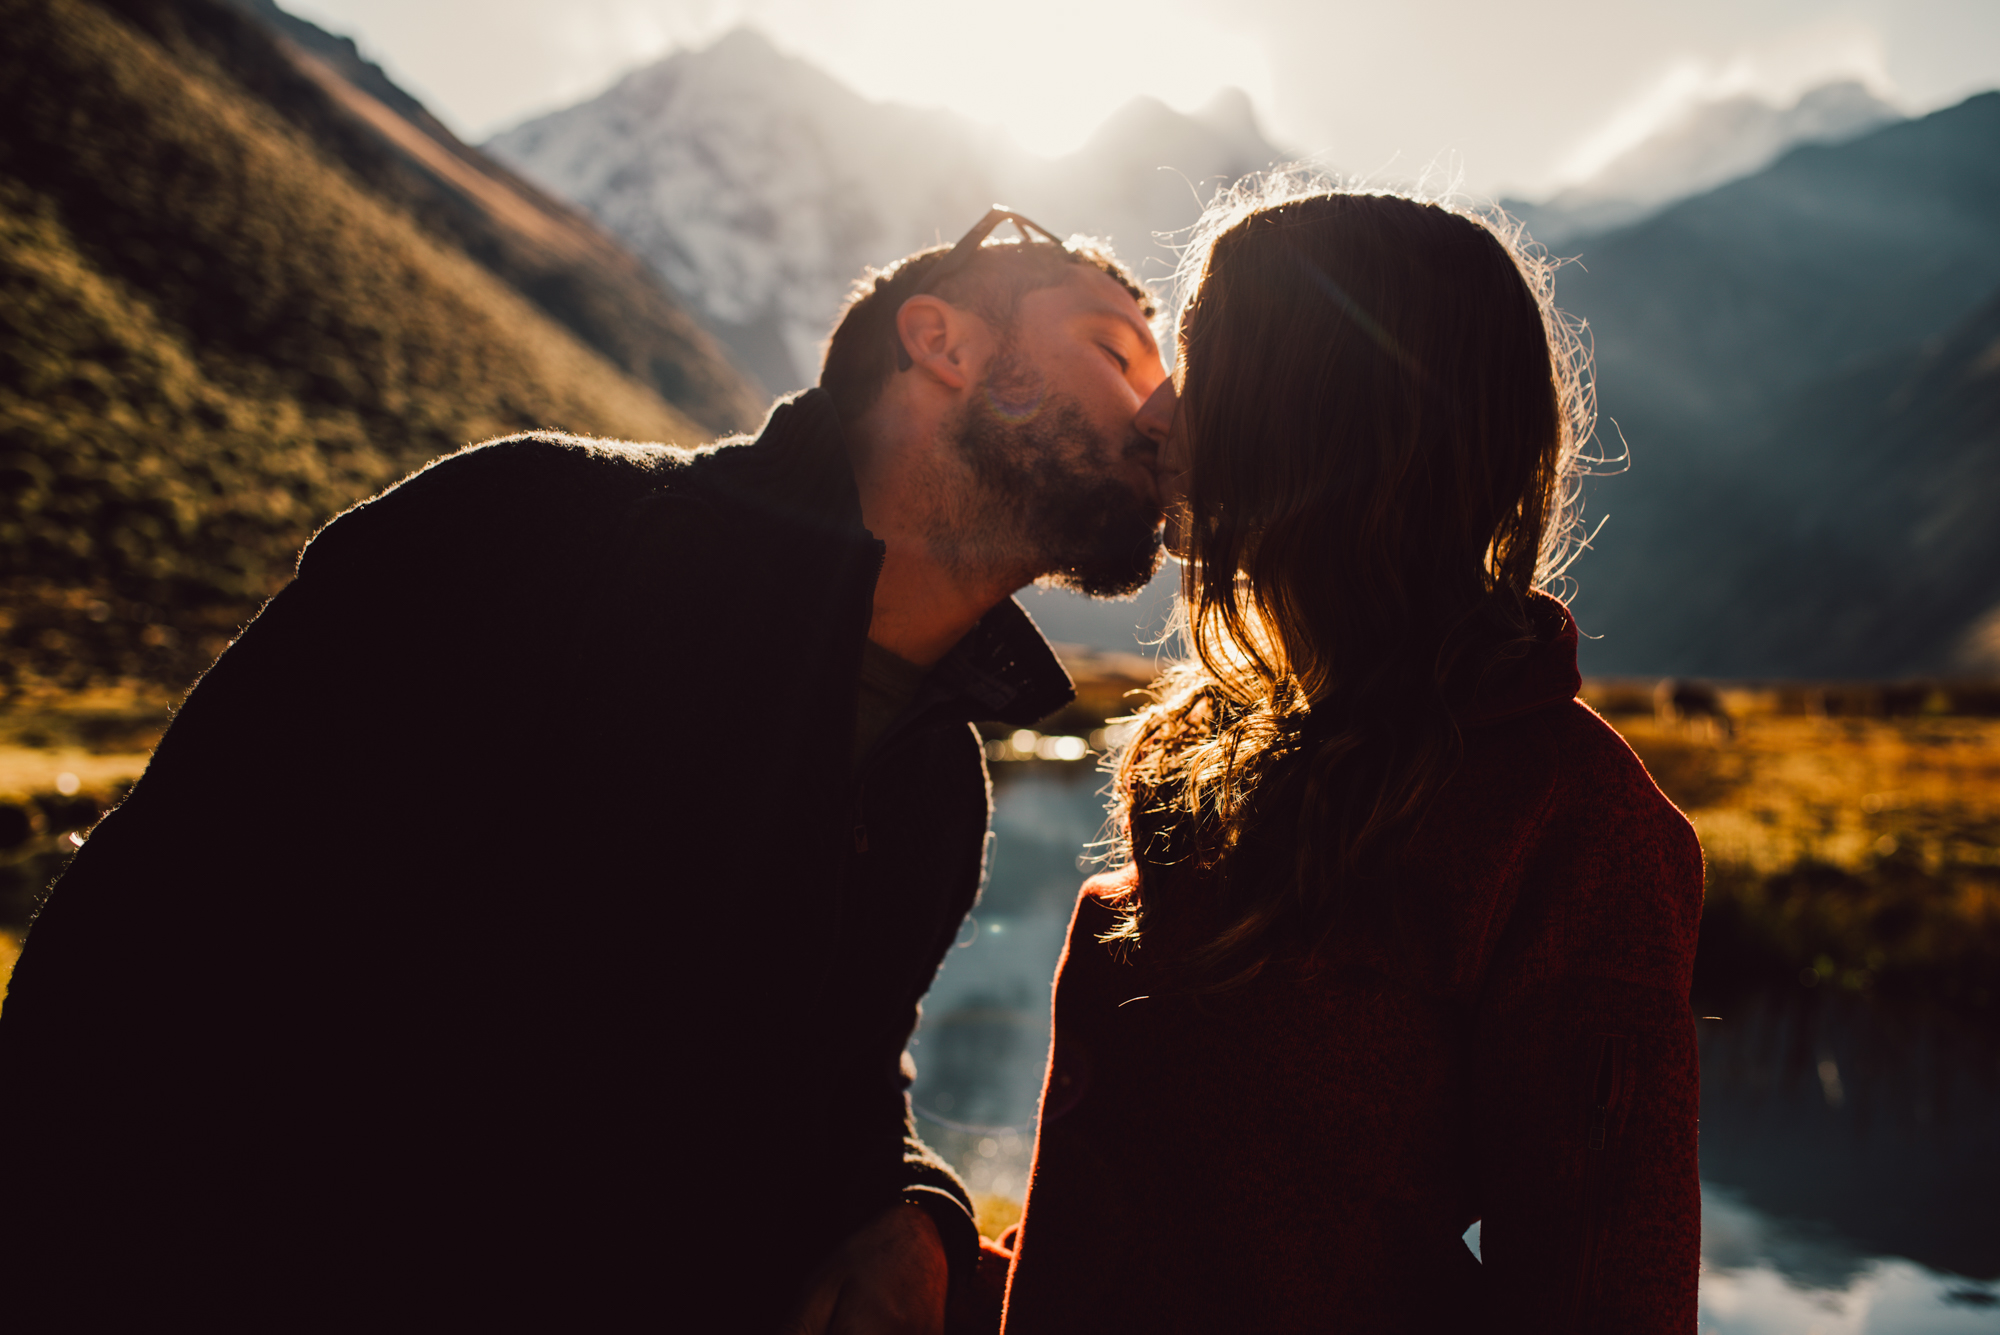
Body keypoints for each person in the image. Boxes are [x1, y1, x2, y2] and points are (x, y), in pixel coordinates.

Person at [0, 209, 1172, 1331]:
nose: (1162, 413)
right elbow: (144, 964)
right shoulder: (542, 535)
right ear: (945, 343)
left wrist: (915, 1209)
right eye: (1116, 351)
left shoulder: (936, 784)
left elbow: (829, 1091)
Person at [997, 184, 1704, 1332]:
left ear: (1324, 415)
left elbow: (1601, 1296)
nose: (1153, 415)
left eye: (1198, 363)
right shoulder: (1198, 763)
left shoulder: (1572, 829)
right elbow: (1165, 1207)